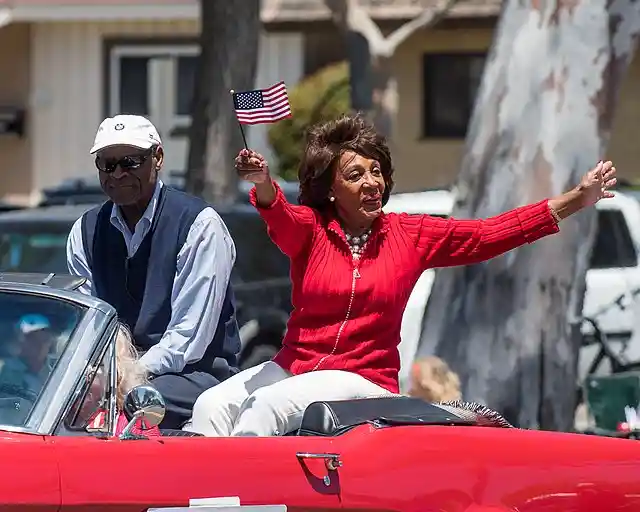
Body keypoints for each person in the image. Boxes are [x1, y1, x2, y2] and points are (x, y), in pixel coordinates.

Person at [184, 114, 617, 437]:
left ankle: (262, 498)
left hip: (361, 377)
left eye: (377, 171)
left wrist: (577, 199)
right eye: (355, 175)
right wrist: (262, 183)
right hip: (293, 366)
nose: (372, 182)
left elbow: (491, 233)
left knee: (264, 409)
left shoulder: (411, 235)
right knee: (211, 405)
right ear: (331, 189)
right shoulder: (311, 229)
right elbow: (278, 214)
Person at [66, 114, 241, 429]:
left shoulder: (199, 224)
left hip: (194, 376)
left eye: (130, 162)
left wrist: (119, 380)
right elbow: (85, 331)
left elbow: (188, 340)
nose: (117, 173)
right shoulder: (85, 230)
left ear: (157, 158)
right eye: (107, 164)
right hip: (114, 376)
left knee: (135, 403)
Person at [86, 323, 161, 437]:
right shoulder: (54, 414)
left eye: (96, 365)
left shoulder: (136, 425)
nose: (84, 375)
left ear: (118, 374)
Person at [0, 314, 55, 402]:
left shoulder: (58, 368)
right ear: (20, 342)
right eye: (32, 338)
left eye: (44, 337)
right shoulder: (6, 371)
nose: (40, 343)